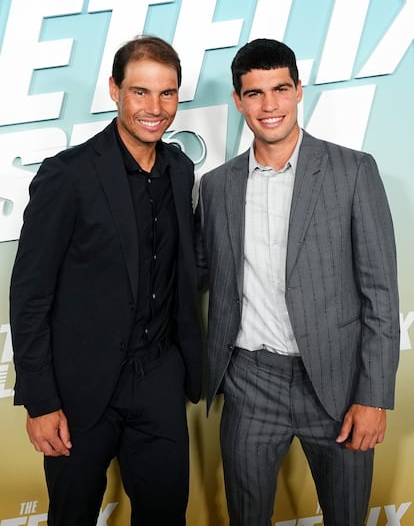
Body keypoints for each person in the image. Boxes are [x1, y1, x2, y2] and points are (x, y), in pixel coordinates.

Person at [195, 38, 400, 526]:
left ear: (299, 91)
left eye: (280, 89)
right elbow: (198, 276)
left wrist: (372, 396)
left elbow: (381, 295)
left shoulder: (353, 170)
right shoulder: (217, 186)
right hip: (249, 382)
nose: (270, 105)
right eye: (255, 93)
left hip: (337, 385)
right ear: (238, 100)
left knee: (347, 516)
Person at [10, 35, 202, 526]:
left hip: (159, 379)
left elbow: (185, 268)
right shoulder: (67, 175)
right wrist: (41, 401)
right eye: (140, 92)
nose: (154, 108)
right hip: (78, 389)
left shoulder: (181, 170)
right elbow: (30, 294)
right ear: (114, 90)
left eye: (167, 93)